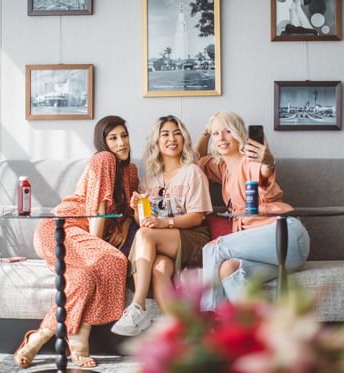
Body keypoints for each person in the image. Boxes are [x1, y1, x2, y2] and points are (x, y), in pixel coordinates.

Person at [14, 116, 139, 368]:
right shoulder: (104, 159)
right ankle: (76, 340)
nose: (121, 143)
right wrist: (96, 248)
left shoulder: (131, 171)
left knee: (83, 280)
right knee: (111, 260)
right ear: (102, 143)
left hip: (82, 239)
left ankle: (39, 339)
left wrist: (125, 226)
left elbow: (129, 209)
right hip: (62, 229)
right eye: (112, 138)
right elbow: (97, 207)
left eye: (124, 136)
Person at [195, 112, 310, 311]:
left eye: (227, 131)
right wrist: (206, 133)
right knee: (228, 269)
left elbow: (264, 173)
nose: (221, 138)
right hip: (273, 256)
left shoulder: (250, 161)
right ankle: (261, 330)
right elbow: (197, 162)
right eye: (216, 134)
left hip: (285, 235)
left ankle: (209, 323)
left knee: (213, 249)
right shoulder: (222, 167)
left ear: (239, 133)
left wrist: (268, 162)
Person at [111, 115, 213, 336]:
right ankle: (186, 334)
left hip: (192, 237)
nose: (172, 139)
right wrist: (137, 208)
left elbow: (197, 217)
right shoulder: (150, 178)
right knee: (160, 269)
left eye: (177, 133)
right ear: (156, 142)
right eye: (165, 134)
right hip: (161, 241)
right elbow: (144, 222)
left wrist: (163, 222)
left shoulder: (192, 172)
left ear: (184, 139)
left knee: (145, 235)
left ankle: (138, 306)